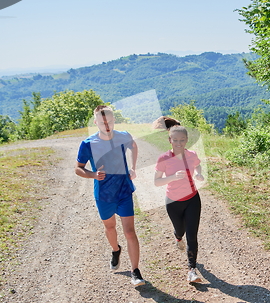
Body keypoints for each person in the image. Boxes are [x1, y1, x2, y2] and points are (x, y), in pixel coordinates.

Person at [75, 105, 145, 286]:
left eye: (110, 121)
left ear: (114, 120)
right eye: (102, 121)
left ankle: (135, 271)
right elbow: (78, 168)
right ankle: (115, 249)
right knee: (110, 227)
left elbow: (134, 146)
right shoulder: (88, 143)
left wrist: (133, 167)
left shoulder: (123, 136)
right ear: (95, 122)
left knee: (130, 231)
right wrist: (92, 175)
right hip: (104, 194)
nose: (107, 124)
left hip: (123, 190)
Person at [154, 125, 205, 283]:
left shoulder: (192, 154)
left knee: (192, 236)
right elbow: (156, 182)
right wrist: (173, 177)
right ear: (169, 140)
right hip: (173, 201)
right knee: (180, 230)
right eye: (175, 140)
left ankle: (192, 270)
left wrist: (199, 173)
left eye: (182, 140)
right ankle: (177, 237)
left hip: (192, 199)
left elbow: (197, 165)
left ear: (186, 140)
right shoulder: (164, 158)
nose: (178, 142)